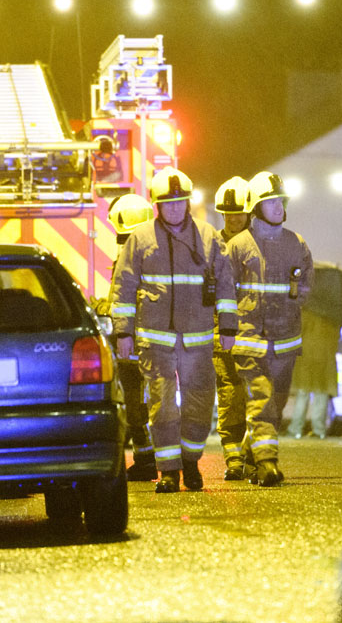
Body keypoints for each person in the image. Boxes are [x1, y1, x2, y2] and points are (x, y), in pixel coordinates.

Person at [110, 167, 237, 493]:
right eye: (169, 204)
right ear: (157, 205)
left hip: (197, 341)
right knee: (162, 406)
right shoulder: (140, 240)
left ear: (188, 202)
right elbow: (123, 287)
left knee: (199, 405)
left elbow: (225, 283)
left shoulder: (208, 237)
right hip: (156, 341)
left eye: (180, 202)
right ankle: (168, 471)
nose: (176, 208)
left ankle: (191, 465)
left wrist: (228, 325)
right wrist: (123, 332)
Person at [228, 172, 313, 487]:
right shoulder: (238, 246)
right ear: (255, 207)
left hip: (286, 341)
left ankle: (252, 452)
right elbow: (226, 292)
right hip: (250, 340)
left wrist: (290, 306)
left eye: (281, 201)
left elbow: (306, 285)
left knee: (275, 403)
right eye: (270, 202)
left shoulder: (297, 243)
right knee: (261, 399)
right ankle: (267, 464)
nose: (278, 207)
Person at [99, 193, 158, 481]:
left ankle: (147, 460)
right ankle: (156, 458)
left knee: (134, 403)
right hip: (153, 342)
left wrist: (99, 307)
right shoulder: (156, 253)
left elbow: (120, 302)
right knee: (155, 401)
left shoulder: (127, 256)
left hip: (130, 342)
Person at [211, 176, 253, 480]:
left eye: (238, 213)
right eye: (228, 214)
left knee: (258, 395)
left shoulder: (260, 244)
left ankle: (255, 453)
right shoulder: (212, 244)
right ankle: (234, 457)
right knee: (229, 394)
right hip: (219, 334)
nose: (233, 218)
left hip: (254, 334)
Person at [287, 262, 342, 439]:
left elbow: (297, 331)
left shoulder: (307, 310)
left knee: (303, 393)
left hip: (306, 356)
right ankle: (319, 429)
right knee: (321, 394)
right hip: (327, 358)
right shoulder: (335, 315)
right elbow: (337, 338)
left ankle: (296, 428)